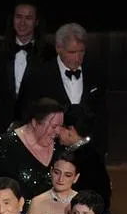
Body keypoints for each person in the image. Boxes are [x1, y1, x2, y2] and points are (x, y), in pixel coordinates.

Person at [17, 22, 108, 156]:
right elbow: (27, 115)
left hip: (88, 151)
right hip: (50, 152)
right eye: (72, 52)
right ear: (58, 48)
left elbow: (102, 115)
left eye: (81, 52)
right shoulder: (39, 76)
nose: (77, 58)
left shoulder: (95, 72)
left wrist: (101, 150)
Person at [0, 0, 55, 135]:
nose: (22, 22)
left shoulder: (49, 53)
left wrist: (32, 123)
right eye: (18, 17)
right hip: (2, 127)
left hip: (37, 128)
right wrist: (8, 122)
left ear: (36, 22)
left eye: (28, 18)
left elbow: (49, 92)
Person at [0, 97, 64, 203]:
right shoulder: (6, 145)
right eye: (54, 126)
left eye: (61, 126)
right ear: (35, 122)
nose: (58, 131)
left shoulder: (60, 147)